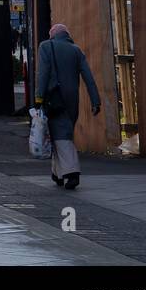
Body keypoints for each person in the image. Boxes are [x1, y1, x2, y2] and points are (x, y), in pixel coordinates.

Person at [36, 23, 101, 191]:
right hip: (72, 99)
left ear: (52, 35)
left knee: (61, 135)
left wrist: (38, 97)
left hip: (53, 98)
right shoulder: (76, 50)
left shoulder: (45, 46)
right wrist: (95, 100)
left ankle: (72, 173)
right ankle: (57, 173)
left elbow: (42, 74)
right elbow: (88, 77)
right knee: (61, 133)